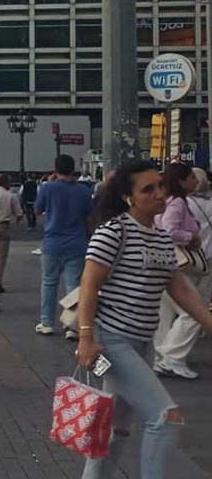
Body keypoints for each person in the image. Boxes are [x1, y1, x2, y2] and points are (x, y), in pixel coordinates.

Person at [75, 160, 212, 479]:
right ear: (128, 197)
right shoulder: (114, 231)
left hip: (141, 345)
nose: (159, 194)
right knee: (164, 416)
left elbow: (179, 287)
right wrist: (85, 338)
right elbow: (88, 284)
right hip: (107, 346)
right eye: (148, 189)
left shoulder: (161, 237)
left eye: (160, 186)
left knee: (117, 427)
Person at [153, 163, 206, 379]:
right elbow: (169, 230)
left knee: (164, 312)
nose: (196, 181)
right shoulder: (176, 203)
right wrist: (190, 237)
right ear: (181, 181)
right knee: (194, 312)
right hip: (175, 264)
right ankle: (171, 357)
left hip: (161, 261)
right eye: (192, 177)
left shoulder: (166, 201)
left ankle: (161, 355)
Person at [35, 155, 95, 339]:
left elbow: (37, 210)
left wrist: (50, 184)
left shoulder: (47, 188)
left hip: (52, 242)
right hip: (76, 243)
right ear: (72, 169)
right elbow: (90, 216)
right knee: (74, 286)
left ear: (56, 169)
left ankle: (47, 323)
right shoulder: (84, 190)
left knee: (49, 283)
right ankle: (72, 326)